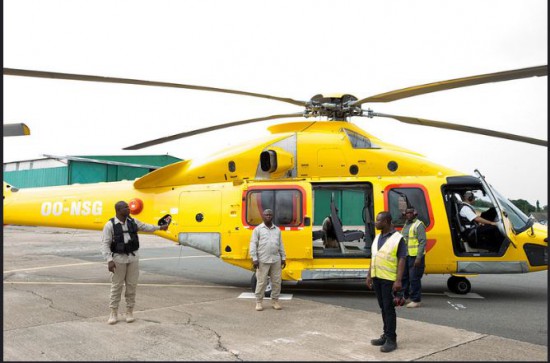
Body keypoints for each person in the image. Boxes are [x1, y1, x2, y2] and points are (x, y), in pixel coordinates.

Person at [100, 201, 168, 325]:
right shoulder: (110, 225)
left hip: (133, 258)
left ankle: (129, 311)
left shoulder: (133, 222)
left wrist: (160, 227)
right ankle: (113, 312)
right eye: (125, 207)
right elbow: (105, 244)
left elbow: (145, 227)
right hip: (118, 259)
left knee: (131, 286)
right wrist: (109, 260)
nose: (128, 208)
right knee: (116, 287)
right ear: (119, 210)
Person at [366, 211, 407, 353]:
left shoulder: (398, 238)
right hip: (377, 277)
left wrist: (398, 280)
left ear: (387, 221)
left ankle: (391, 339)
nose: (376, 223)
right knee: (383, 308)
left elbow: (402, 259)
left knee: (389, 309)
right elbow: (374, 257)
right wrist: (369, 275)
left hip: (389, 280)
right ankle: (386, 334)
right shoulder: (378, 237)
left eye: (378, 221)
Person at [249, 209, 286, 311]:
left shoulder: (277, 230)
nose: (268, 216)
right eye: (266, 215)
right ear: (263, 216)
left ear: (272, 216)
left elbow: (281, 244)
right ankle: (259, 302)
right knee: (261, 282)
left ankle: (275, 301)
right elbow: (253, 244)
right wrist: (254, 258)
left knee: (276, 282)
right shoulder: (258, 229)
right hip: (262, 260)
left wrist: (283, 257)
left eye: (270, 215)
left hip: (276, 260)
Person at [400, 207, 426, 308]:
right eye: (407, 213)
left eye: (411, 213)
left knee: (414, 278)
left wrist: (419, 258)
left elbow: (422, 242)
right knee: (404, 277)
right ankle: (405, 297)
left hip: (415, 257)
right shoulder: (407, 224)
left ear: (415, 213)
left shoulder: (418, 225)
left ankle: (416, 300)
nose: (408, 215)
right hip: (406, 255)